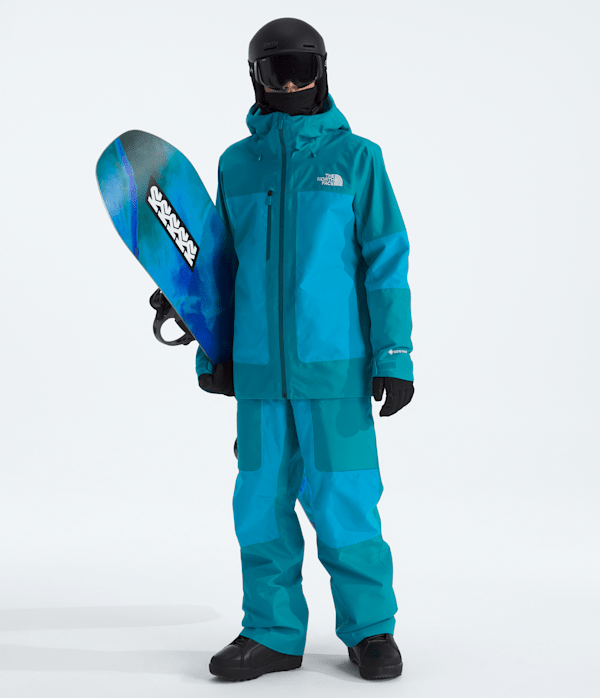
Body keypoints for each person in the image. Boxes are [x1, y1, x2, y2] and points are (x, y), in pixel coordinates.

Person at [197, 17, 414, 682]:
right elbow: (220, 267)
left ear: (322, 71)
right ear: (255, 78)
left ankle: (371, 630)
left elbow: (386, 261)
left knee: (346, 502)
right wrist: (213, 351)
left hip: (336, 372)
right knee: (260, 506)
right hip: (260, 376)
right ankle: (271, 634)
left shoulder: (358, 159)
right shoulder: (236, 164)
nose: (289, 84)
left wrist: (394, 355)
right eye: (276, 71)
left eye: (301, 69)